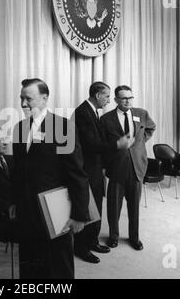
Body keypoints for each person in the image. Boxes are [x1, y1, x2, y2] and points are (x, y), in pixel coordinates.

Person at [12, 78, 90, 279]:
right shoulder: (19, 128)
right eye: (21, 98)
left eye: (28, 98)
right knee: (29, 264)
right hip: (27, 212)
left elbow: (77, 173)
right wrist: (13, 201)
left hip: (56, 211)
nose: (22, 104)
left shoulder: (63, 127)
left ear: (44, 98)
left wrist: (80, 214)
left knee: (58, 265)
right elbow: (18, 171)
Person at [72, 82, 130, 263]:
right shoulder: (83, 112)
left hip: (95, 169)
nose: (108, 100)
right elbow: (91, 145)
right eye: (106, 96)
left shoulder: (92, 112)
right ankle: (82, 248)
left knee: (95, 208)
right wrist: (117, 144)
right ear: (97, 95)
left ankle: (92, 242)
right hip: (87, 171)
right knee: (87, 209)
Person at [100, 85, 156, 250]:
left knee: (134, 207)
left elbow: (151, 128)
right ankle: (113, 236)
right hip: (116, 168)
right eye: (124, 98)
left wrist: (139, 144)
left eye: (130, 97)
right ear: (116, 100)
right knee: (113, 207)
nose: (128, 101)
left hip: (136, 167)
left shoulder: (141, 114)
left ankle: (134, 238)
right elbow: (103, 145)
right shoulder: (106, 119)